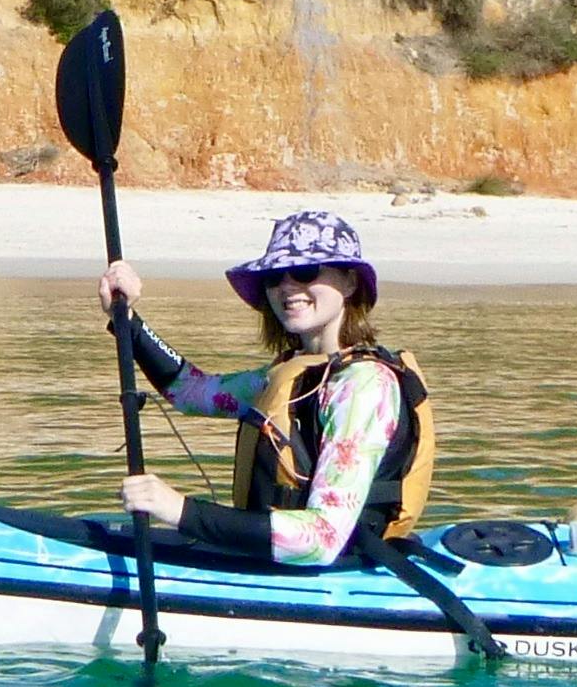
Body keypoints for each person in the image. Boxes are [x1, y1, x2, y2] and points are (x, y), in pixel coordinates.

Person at [92, 208, 436, 568]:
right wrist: (126, 318)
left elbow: (322, 538)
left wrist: (178, 510)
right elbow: (189, 391)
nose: (287, 286)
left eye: (305, 271)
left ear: (350, 283)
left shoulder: (363, 385)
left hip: (334, 570)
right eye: (274, 277)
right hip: (274, 563)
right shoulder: (298, 373)